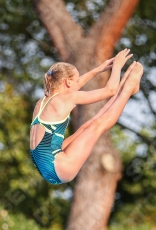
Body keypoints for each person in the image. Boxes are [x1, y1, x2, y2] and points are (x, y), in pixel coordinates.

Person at [30, 49, 143, 185]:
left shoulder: (41, 102)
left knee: (86, 127)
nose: (78, 83)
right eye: (76, 80)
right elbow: (110, 90)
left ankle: (125, 87)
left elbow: (74, 86)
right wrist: (117, 67)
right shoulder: (66, 98)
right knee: (97, 125)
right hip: (59, 167)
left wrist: (98, 70)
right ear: (67, 82)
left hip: (46, 166)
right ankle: (128, 88)